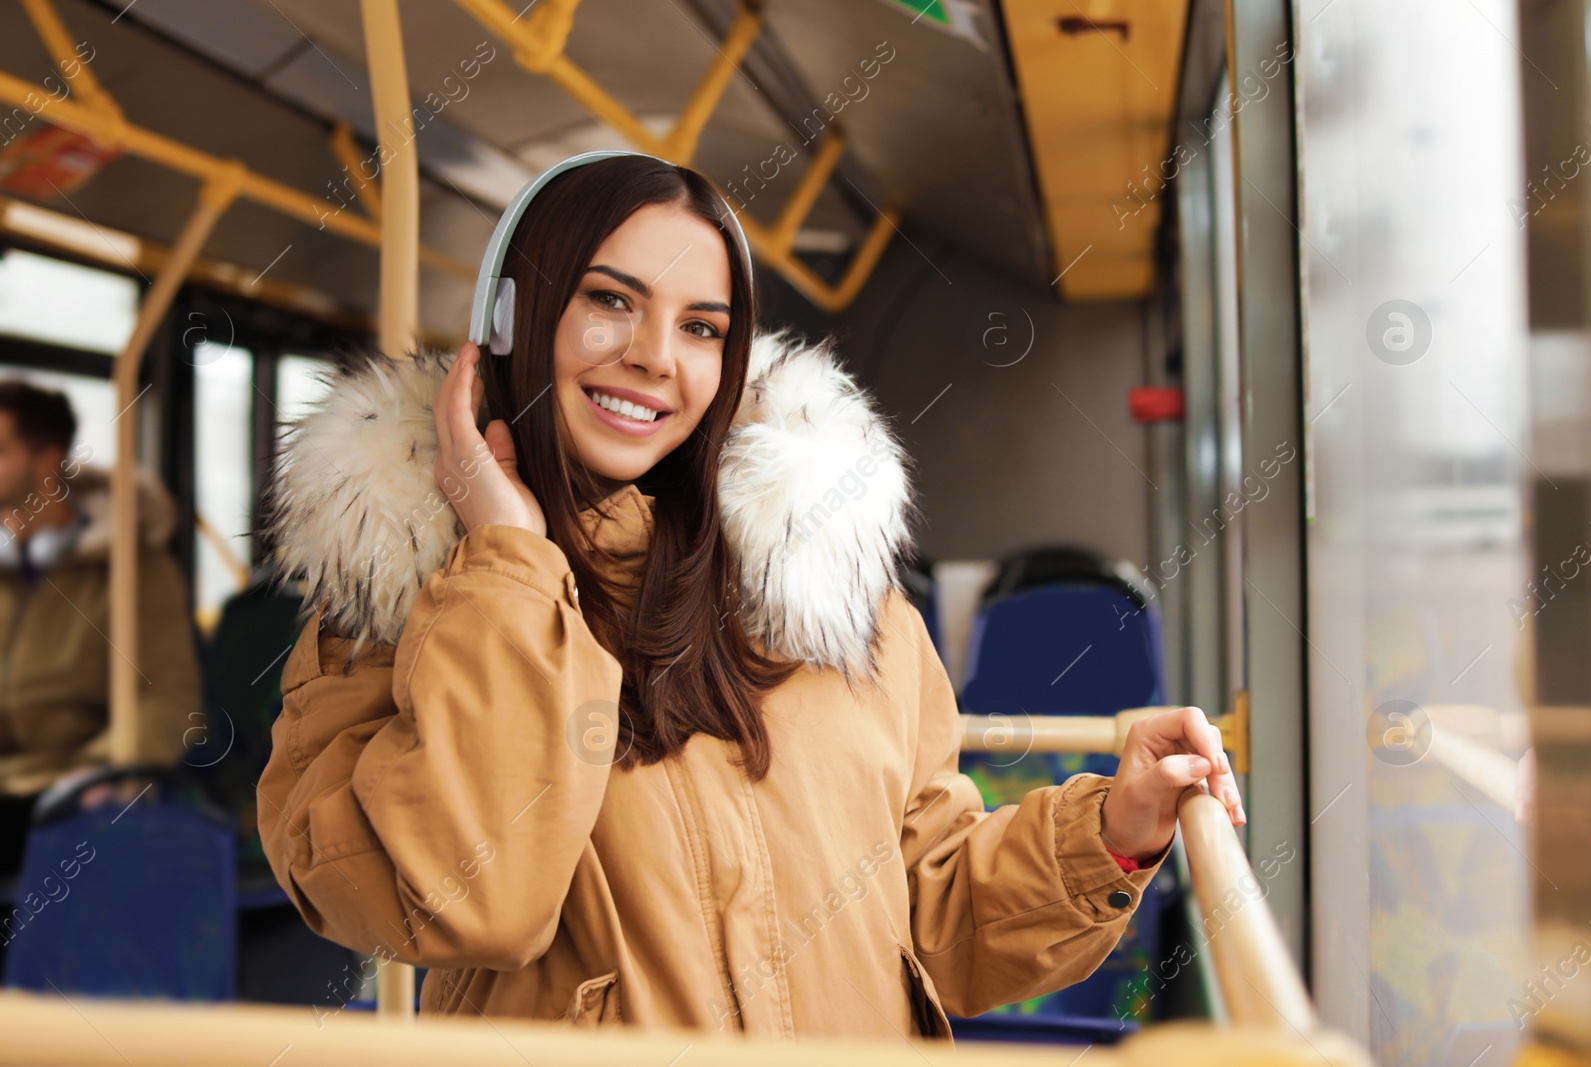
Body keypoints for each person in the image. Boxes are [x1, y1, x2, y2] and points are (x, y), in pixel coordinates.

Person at [258, 153, 1246, 1037]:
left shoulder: (831, 597)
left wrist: (1110, 829)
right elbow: (472, 900)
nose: (654, 355)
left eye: (701, 327)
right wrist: (507, 558)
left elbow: (937, 928)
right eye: (609, 299)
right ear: (511, 320)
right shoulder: (394, 611)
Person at [0, 381, 201, 876]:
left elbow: (169, 696)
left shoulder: (134, 570)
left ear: (46, 461)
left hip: (62, 789)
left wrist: (102, 770)